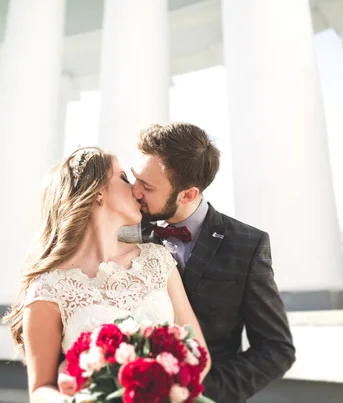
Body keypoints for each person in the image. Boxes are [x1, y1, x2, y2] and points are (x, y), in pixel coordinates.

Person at [64, 123, 295, 402]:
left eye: (147, 186)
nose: (134, 191)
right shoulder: (121, 231)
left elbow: (276, 349)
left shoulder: (247, 244)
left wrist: (198, 392)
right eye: (134, 178)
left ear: (188, 194)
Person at [3, 147, 211, 402]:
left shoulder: (156, 260)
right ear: (97, 192)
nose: (136, 189)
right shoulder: (48, 288)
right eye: (124, 178)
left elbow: (199, 353)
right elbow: (40, 391)